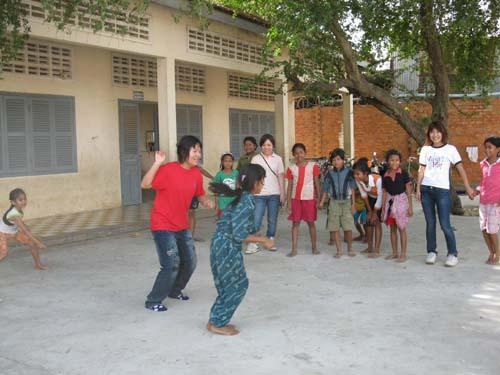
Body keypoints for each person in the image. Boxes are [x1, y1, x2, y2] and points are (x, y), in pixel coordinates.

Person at [141, 135, 214, 312]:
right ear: (184, 151)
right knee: (171, 264)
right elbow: (145, 184)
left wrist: (205, 201)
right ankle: (153, 300)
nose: (198, 154)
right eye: (194, 150)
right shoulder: (168, 170)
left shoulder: (196, 173)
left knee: (190, 262)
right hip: (162, 223)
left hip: (182, 224)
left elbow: (199, 192)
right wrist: (157, 163)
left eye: (199, 151)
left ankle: (175, 290)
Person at [207, 165, 274, 336]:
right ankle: (217, 323)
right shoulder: (245, 202)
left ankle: (217, 319)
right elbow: (239, 235)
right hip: (226, 247)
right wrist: (263, 240)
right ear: (254, 183)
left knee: (228, 284)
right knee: (238, 285)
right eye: (262, 181)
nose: (263, 184)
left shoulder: (244, 198)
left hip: (223, 245)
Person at [416, 121, 475, 267]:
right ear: (429, 134)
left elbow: (460, 169)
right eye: (432, 132)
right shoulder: (425, 150)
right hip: (426, 190)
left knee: (445, 224)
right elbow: (421, 170)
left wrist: (467, 187)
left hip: (442, 191)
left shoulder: (450, 149)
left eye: (438, 132)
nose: (435, 135)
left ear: (443, 133)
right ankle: (431, 251)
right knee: (430, 223)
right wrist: (418, 188)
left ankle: (452, 253)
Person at [246, 134, 285, 254]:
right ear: (261, 146)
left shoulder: (278, 159)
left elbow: (280, 176)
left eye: (269, 145)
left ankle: (270, 241)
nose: (266, 147)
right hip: (259, 194)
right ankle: (253, 243)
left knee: (272, 219)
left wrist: (282, 193)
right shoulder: (256, 159)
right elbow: (252, 177)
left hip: (274, 193)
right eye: (264, 145)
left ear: (273, 146)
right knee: (256, 219)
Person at [319, 148, 356, 258]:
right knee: (334, 227)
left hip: (346, 202)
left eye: (339, 159)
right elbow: (325, 189)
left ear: (343, 160)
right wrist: (321, 202)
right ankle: (339, 250)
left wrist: (353, 204)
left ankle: (350, 248)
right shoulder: (329, 174)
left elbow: (353, 189)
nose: (336, 162)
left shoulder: (349, 172)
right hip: (334, 202)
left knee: (348, 227)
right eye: (334, 160)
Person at [285, 143, 321, 257]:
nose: (299, 155)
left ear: (305, 153)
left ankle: (314, 247)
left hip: (309, 199)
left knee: (311, 223)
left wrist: (319, 198)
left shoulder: (313, 166)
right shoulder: (291, 168)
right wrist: (288, 202)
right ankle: (294, 249)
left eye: (301, 152)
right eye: (296, 153)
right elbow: (290, 186)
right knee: (295, 224)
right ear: (293, 155)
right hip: (296, 199)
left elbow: (317, 182)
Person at [0, 188, 47, 270]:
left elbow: (20, 224)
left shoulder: (18, 210)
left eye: (25, 199)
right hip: (2, 233)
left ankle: (38, 265)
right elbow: (24, 229)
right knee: (4, 253)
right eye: (20, 200)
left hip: (13, 232)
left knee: (32, 244)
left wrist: (25, 226)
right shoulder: (14, 214)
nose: (24, 202)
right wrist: (38, 242)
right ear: (13, 202)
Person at [381, 149, 414, 262]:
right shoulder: (385, 175)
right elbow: (384, 192)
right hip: (390, 204)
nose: (394, 162)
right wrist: (383, 209)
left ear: (400, 161)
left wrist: (410, 207)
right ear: (387, 162)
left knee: (402, 228)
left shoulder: (403, 173)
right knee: (392, 229)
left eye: (397, 160)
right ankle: (395, 252)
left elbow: (409, 191)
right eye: (392, 160)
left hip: (401, 203)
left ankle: (403, 254)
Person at [474, 136, 500, 264]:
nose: (487, 150)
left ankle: (498, 254)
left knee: (492, 230)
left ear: (498, 149)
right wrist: (476, 191)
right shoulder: (483, 164)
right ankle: (491, 252)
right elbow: (483, 181)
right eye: (486, 147)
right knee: (484, 229)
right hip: (483, 202)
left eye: (490, 147)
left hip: (496, 203)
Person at [353, 159, 383, 258]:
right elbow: (364, 195)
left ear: (366, 173)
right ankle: (369, 248)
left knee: (376, 222)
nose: (356, 176)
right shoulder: (358, 180)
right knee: (368, 222)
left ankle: (377, 250)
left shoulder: (377, 179)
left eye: (358, 174)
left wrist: (375, 212)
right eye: (355, 174)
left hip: (380, 199)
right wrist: (369, 211)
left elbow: (380, 197)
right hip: (369, 199)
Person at [189, 166, 213, 242]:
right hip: (182, 193)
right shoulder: (180, 166)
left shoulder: (196, 167)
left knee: (191, 213)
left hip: (194, 193)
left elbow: (203, 171)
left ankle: (190, 236)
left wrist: (213, 178)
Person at [213, 153, 239, 218]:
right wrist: (216, 204)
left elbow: (238, 187)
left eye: (230, 161)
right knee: (223, 221)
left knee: (233, 221)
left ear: (233, 162)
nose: (228, 163)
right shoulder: (219, 175)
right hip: (222, 203)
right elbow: (216, 191)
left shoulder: (236, 173)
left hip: (233, 201)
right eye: (225, 161)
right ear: (222, 162)